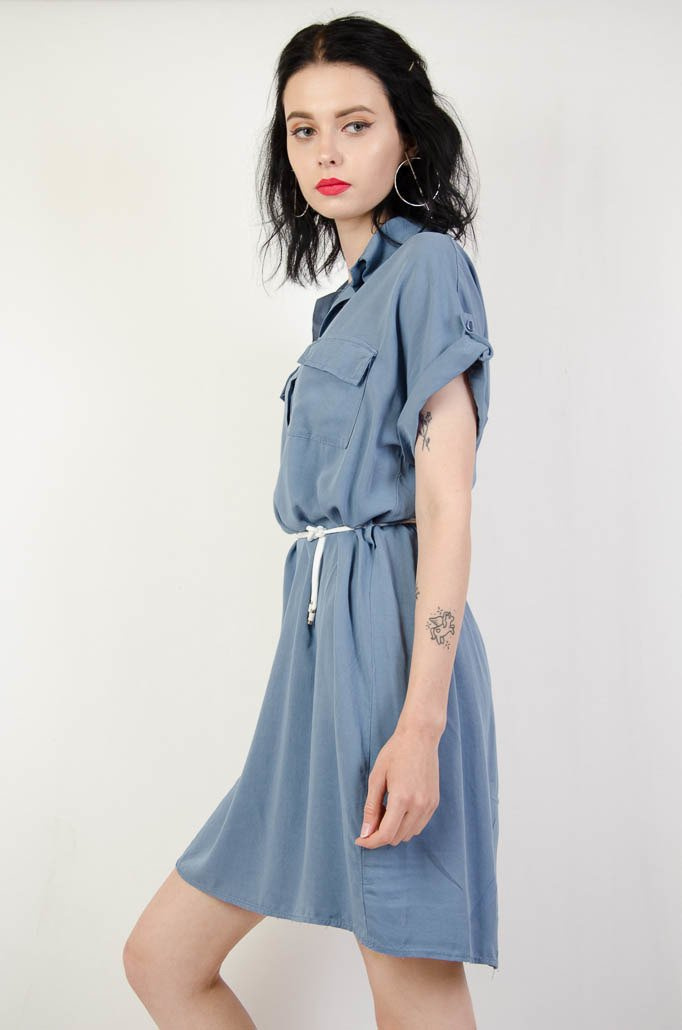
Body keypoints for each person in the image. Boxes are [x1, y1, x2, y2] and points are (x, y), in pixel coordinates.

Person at [123, 15, 499, 1029]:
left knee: (410, 988)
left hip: (391, 657)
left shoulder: (429, 270)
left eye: (355, 124)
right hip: (314, 665)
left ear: (406, 138)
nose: (326, 151)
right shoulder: (344, 303)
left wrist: (420, 723)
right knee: (164, 959)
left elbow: (446, 501)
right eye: (302, 129)